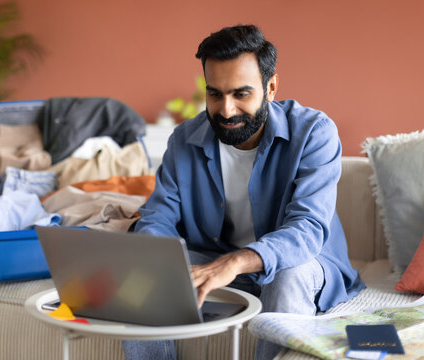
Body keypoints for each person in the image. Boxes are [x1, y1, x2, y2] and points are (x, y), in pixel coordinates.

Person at [123, 24, 365, 360]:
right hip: (213, 259)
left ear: (271, 87)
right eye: (215, 94)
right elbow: (158, 215)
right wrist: (159, 260)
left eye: (241, 94)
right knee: (143, 273)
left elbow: (307, 229)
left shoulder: (314, 133)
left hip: (297, 265)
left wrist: (236, 262)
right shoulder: (184, 139)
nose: (226, 110)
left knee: (287, 276)